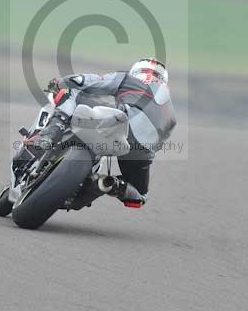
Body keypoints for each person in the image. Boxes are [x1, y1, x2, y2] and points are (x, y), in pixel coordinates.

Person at [22, 58, 176, 208]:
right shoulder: (171, 114)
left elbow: (90, 81)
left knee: (71, 89)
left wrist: (60, 82)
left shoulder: (130, 80)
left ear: (136, 71)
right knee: (140, 196)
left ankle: (48, 136)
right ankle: (111, 185)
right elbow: (158, 144)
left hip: (121, 120)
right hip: (142, 149)